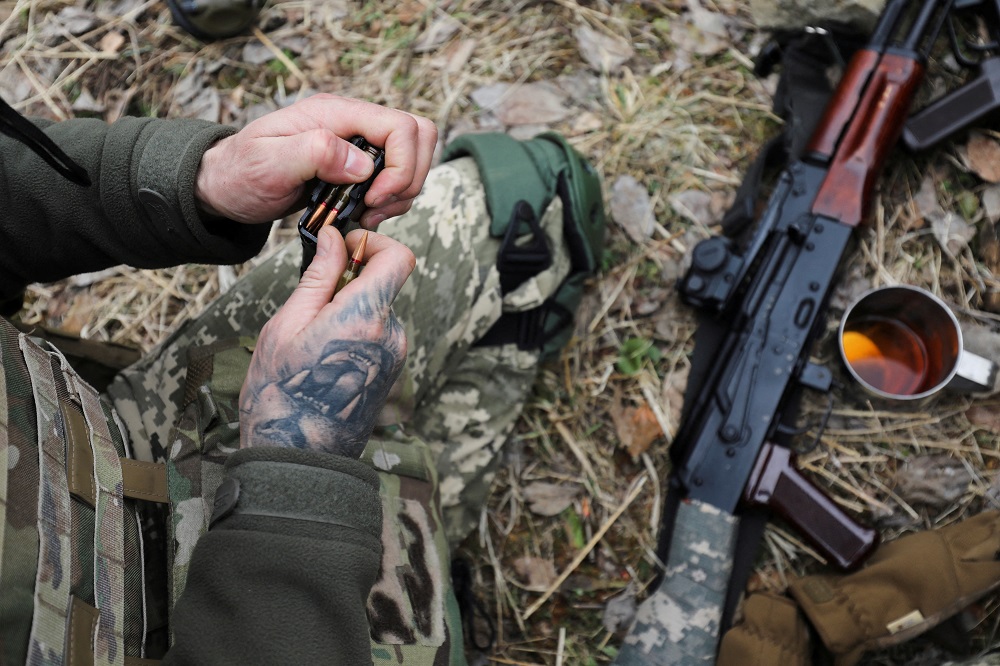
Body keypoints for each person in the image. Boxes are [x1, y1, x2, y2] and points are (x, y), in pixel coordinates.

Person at [0, 92, 605, 664]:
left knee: (526, 196)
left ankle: (434, 518)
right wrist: (297, 472)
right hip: (253, 614)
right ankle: (429, 571)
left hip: (103, 435)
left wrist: (195, 178)